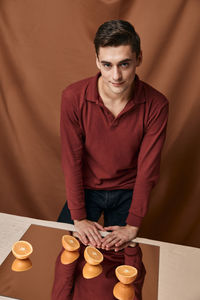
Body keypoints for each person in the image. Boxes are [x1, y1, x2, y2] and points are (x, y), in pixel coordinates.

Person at [58, 20, 168, 252]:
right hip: (86, 189)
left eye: (124, 64)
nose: (115, 75)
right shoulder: (73, 97)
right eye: (107, 65)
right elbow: (71, 160)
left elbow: (148, 168)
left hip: (128, 191)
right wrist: (78, 218)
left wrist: (133, 224)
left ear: (139, 59)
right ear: (97, 61)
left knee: (119, 262)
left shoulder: (156, 104)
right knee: (64, 252)